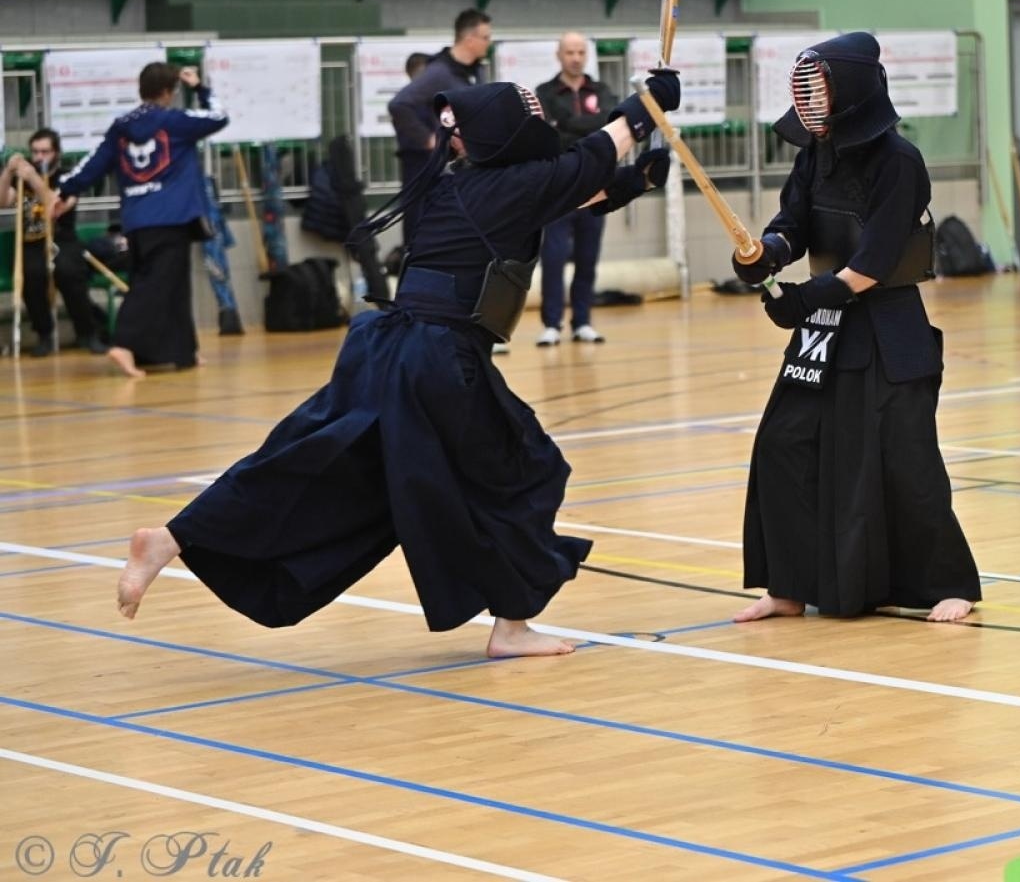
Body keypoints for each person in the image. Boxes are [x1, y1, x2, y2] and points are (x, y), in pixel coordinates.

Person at [112, 72, 680, 660]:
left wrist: (635, 179)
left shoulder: (468, 184)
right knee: (526, 473)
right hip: (436, 358)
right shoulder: (503, 186)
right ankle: (511, 626)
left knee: (313, 462)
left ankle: (172, 538)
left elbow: (576, 190)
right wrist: (644, 109)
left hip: (389, 349)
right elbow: (585, 162)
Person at [729, 32, 981, 623]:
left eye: (818, 93)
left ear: (850, 93)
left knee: (905, 459)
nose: (810, 107)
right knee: (784, 444)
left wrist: (806, 298)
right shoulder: (815, 153)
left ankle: (948, 584)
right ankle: (789, 584)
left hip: (887, 324)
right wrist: (766, 254)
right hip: (826, 325)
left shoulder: (899, 162)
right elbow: (793, 222)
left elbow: (875, 260)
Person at [56, 64, 228, 379]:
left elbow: (93, 163)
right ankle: (123, 344)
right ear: (168, 91)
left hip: (137, 218)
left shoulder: (121, 125)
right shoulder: (175, 121)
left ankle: (181, 352)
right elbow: (219, 116)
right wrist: (200, 88)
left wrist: (66, 189)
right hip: (171, 215)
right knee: (155, 285)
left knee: (173, 284)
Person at [532, 32, 620, 347]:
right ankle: (551, 323)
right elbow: (549, 135)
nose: (576, 57)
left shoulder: (601, 90)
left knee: (587, 257)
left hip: (594, 188)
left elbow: (609, 124)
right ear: (559, 55)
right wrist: (586, 126)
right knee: (553, 258)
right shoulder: (544, 93)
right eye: (570, 51)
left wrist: (568, 123)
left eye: (581, 51)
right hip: (558, 190)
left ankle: (582, 321)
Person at [388, 10, 491, 246]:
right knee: (423, 232)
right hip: (428, 167)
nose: (489, 42)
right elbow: (399, 105)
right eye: (485, 37)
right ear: (469, 39)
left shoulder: (476, 71)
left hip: (461, 167)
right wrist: (428, 140)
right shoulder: (439, 72)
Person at [1, 131, 109, 355]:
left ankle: (87, 333)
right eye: (35, 152)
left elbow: (56, 205)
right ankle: (44, 334)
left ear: (56, 153)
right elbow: (2, 202)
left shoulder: (68, 178)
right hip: (31, 241)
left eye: (45, 152)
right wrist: (8, 172)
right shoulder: (20, 179)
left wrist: (33, 178)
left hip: (62, 239)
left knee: (68, 271)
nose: (39, 157)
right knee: (32, 274)